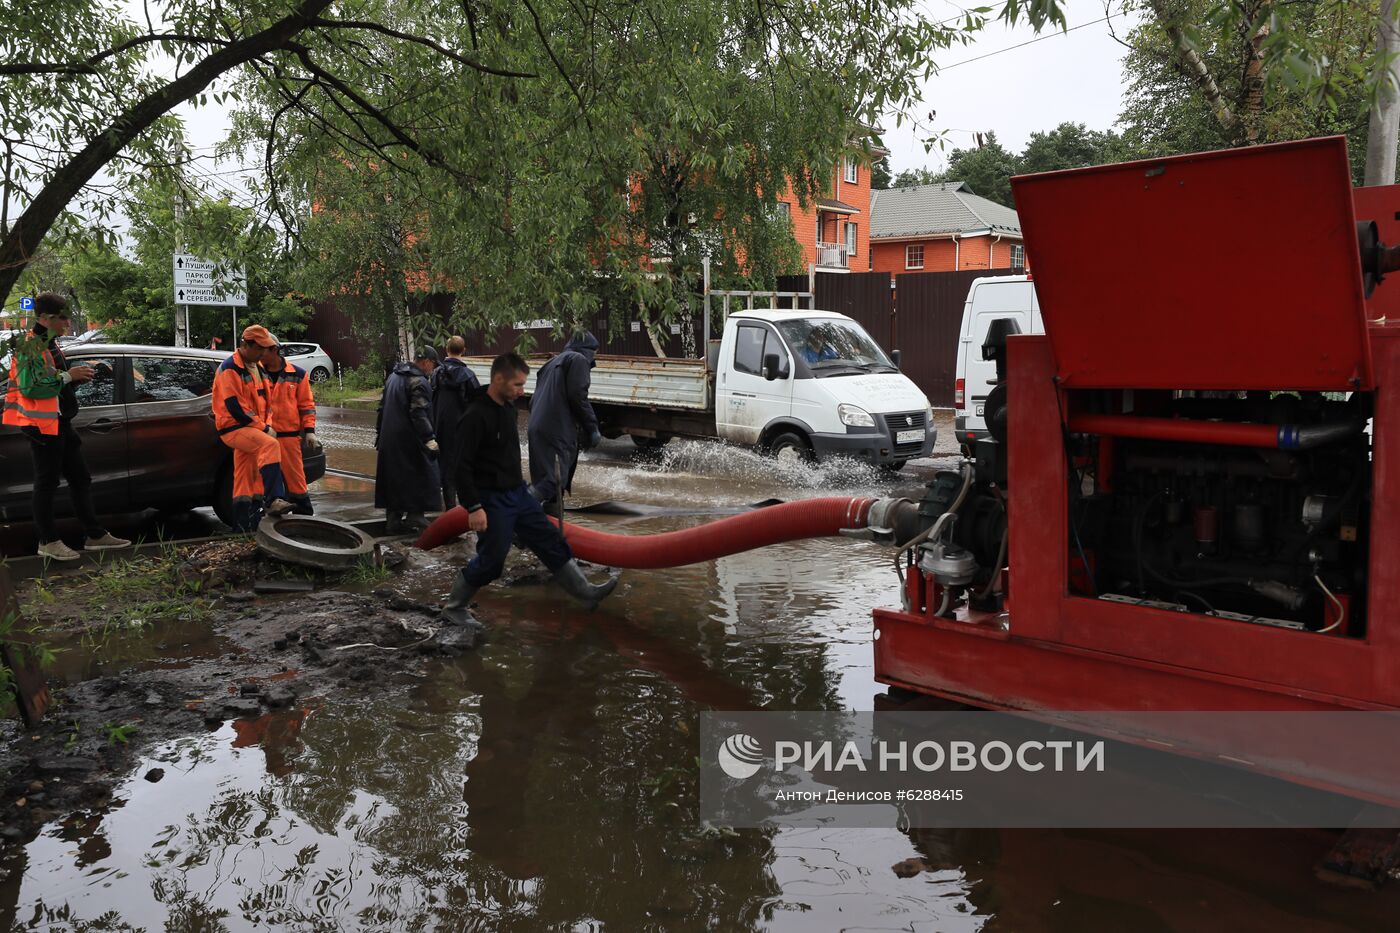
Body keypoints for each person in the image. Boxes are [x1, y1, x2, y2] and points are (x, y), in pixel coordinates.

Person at [440, 352, 619, 629]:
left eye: (524, 385)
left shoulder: (508, 410)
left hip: (518, 494)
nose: (522, 392)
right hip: (491, 499)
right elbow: (459, 467)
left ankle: (585, 593)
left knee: (550, 540)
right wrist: (474, 507)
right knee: (492, 561)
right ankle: (455, 607)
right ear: (498, 379)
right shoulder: (475, 416)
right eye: (517, 385)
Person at [2, 292, 131, 561]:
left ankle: (94, 535)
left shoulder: (49, 343)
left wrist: (74, 379)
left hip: (60, 422)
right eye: (64, 319)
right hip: (42, 426)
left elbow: (51, 381)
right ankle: (48, 541)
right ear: (46, 318)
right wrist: (68, 376)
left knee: (80, 478)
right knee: (46, 483)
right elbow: (31, 388)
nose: (68, 324)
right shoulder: (31, 347)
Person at [213, 324, 294, 531]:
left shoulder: (257, 368)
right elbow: (235, 407)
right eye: (259, 349)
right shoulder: (230, 368)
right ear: (245, 345)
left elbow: (264, 402)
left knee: (245, 477)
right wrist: (264, 429)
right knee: (270, 446)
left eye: (265, 349)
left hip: (250, 429)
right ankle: (274, 498)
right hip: (234, 428)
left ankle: (242, 526)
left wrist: (265, 424)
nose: (262, 353)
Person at [526, 331, 601, 506]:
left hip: (538, 427)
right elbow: (577, 396)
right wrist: (592, 427)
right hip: (556, 429)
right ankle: (513, 511)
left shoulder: (551, 362)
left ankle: (545, 528)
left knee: (548, 483)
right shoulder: (578, 360)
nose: (595, 357)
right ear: (589, 350)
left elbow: (532, 400)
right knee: (553, 481)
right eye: (595, 352)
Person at [375, 347, 442, 534]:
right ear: (426, 361)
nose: (433, 369)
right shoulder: (418, 382)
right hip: (409, 441)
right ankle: (416, 517)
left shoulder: (393, 377)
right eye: (433, 364)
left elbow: (381, 408)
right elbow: (418, 413)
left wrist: (379, 435)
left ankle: (393, 521)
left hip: (390, 440)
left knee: (394, 480)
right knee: (421, 475)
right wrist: (429, 439)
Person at [262, 337, 321, 515]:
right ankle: (270, 510)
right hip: (264, 436)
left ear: (274, 350)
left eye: (263, 350)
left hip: (289, 437)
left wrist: (309, 432)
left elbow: (307, 406)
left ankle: (303, 513)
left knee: (295, 478)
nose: (260, 354)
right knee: (266, 477)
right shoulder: (256, 372)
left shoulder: (298, 374)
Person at [431, 335, 481, 509]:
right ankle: (468, 507)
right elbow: (478, 406)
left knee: (446, 469)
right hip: (463, 430)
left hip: (440, 429)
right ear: (464, 350)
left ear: (446, 350)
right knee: (466, 467)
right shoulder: (468, 375)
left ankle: (450, 508)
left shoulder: (436, 373)